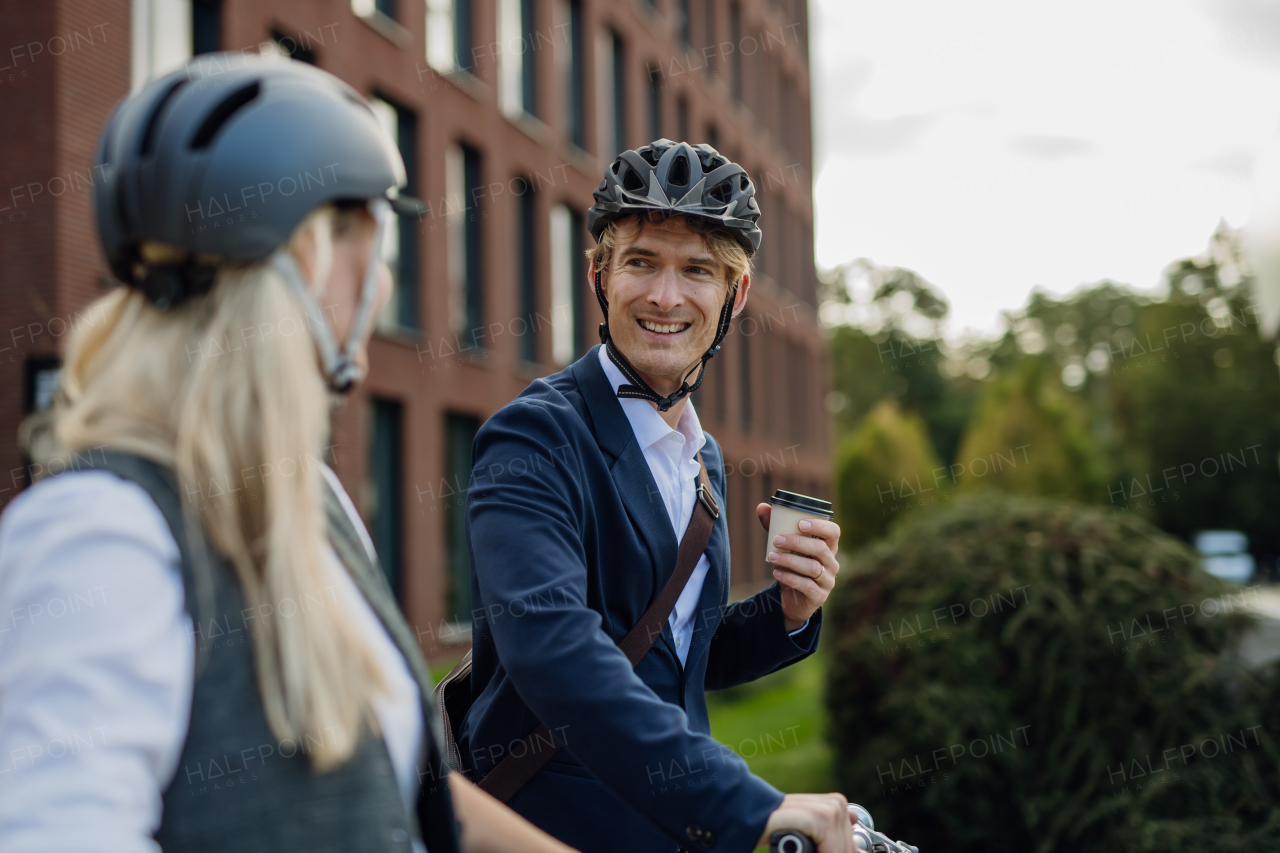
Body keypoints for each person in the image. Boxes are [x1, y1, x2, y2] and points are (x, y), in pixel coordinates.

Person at [0, 53, 574, 853]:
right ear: (310, 258)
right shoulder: (102, 528)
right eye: (377, 246)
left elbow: (407, 795)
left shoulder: (317, 501)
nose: (382, 288)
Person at [458, 140, 853, 853]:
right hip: (549, 830)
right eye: (641, 261)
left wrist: (788, 613)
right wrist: (749, 805)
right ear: (599, 276)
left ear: (733, 296)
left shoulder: (702, 458)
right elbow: (556, 654)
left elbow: (671, 655)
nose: (665, 296)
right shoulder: (533, 438)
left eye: (697, 270)